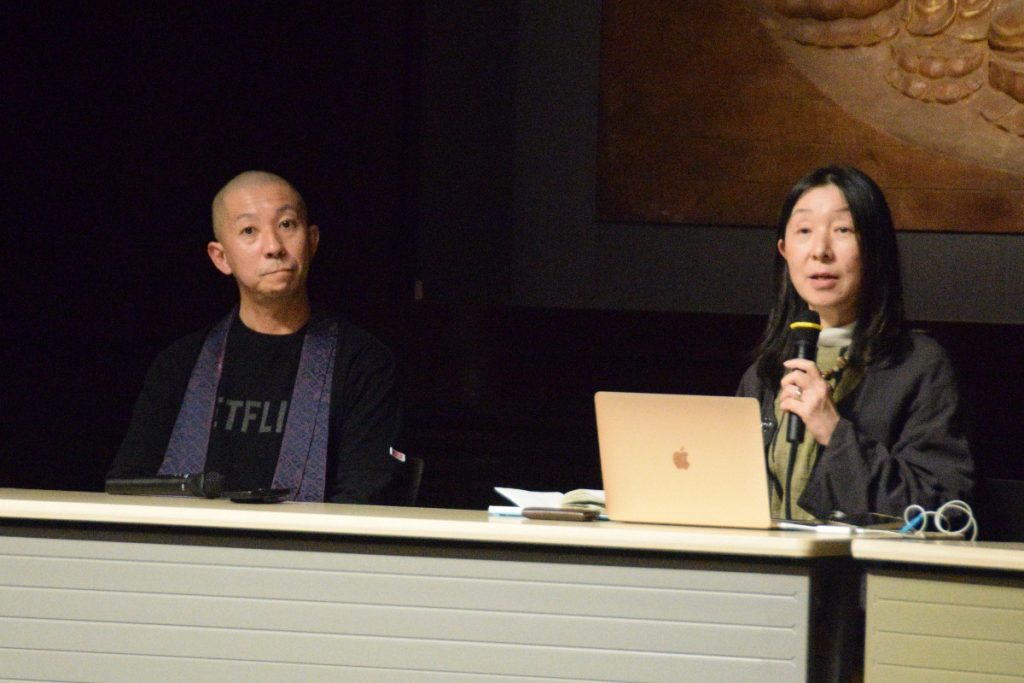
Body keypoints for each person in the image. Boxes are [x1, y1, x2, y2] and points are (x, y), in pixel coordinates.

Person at [108, 171, 401, 503]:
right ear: (221, 257)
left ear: (312, 240)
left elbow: (364, 497)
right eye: (249, 230)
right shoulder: (180, 364)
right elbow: (128, 486)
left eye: (287, 225)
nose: (274, 247)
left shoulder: (362, 363)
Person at [738, 165, 975, 522]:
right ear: (784, 251)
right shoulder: (765, 373)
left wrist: (834, 433)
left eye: (843, 230)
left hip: (863, 560)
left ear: (875, 247)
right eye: (804, 230)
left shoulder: (918, 365)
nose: (820, 250)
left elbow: (943, 506)